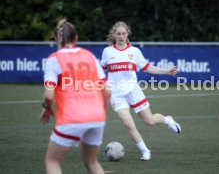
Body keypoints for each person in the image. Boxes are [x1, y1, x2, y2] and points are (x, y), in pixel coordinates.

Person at [100, 21, 182, 161]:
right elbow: (101, 70)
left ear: (127, 34)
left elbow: (148, 67)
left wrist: (166, 72)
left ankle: (167, 120)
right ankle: (145, 151)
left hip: (133, 91)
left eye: (123, 33)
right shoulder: (107, 52)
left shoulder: (135, 51)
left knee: (149, 121)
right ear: (114, 34)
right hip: (116, 94)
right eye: (118, 33)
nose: (120, 36)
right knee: (128, 123)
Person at [40, 19, 110, 174]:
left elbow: (48, 96)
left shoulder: (54, 59)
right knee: (91, 162)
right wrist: (101, 111)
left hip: (71, 118)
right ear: (76, 38)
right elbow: (107, 91)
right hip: (97, 117)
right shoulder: (90, 56)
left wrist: (46, 108)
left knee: (52, 161)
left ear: (56, 39)